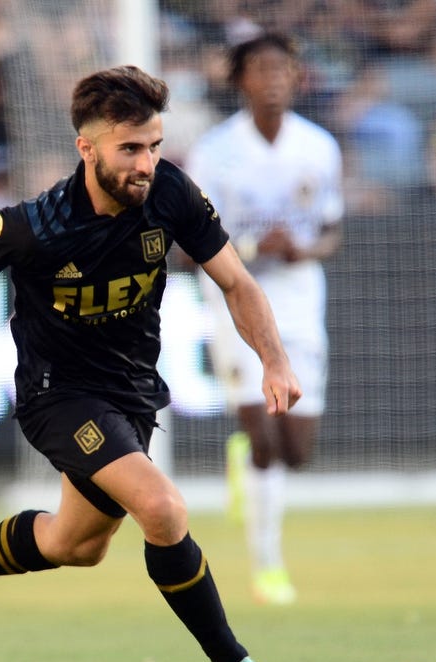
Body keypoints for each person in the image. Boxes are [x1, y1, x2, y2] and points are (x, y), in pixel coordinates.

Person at [0, 65, 306, 662]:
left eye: (155, 146)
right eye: (130, 149)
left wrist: (273, 360)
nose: (147, 163)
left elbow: (238, 283)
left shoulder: (171, 196)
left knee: (74, 545)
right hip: (59, 396)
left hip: (130, 395)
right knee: (162, 508)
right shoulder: (40, 226)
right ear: (89, 149)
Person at [184, 33, 343, 606]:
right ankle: (268, 566)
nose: (274, 78)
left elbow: (331, 231)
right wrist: (250, 249)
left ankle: (246, 461)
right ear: (241, 81)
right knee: (267, 442)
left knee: (296, 451)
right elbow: (188, 243)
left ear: (298, 77)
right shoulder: (215, 152)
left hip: (299, 295)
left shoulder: (319, 147)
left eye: (284, 68)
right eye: (261, 69)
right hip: (236, 294)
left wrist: (304, 250)